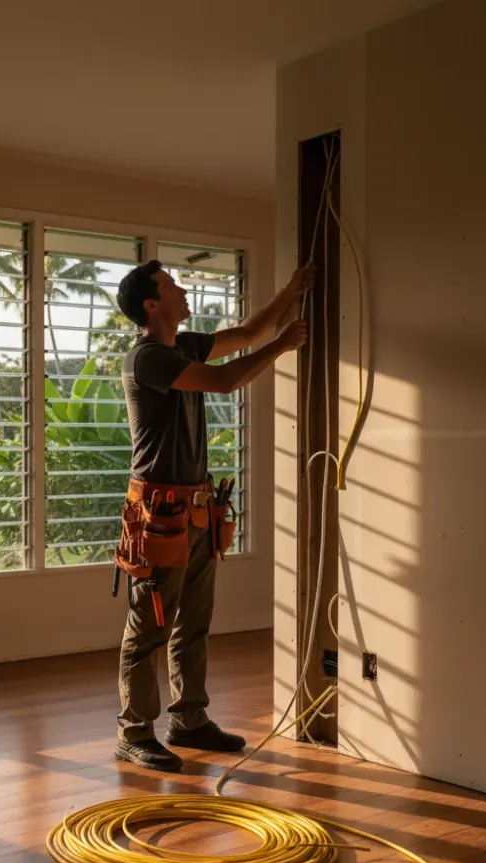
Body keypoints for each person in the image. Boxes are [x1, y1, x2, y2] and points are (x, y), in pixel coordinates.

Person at [113, 259, 313, 772]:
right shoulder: (149, 358)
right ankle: (134, 733)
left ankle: (190, 720)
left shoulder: (182, 345)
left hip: (198, 510)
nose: (182, 290)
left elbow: (247, 332)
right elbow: (225, 382)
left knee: (195, 622)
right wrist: (283, 345)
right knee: (151, 626)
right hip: (159, 515)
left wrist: (293, 288)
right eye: (170, 286)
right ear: (151, 305)